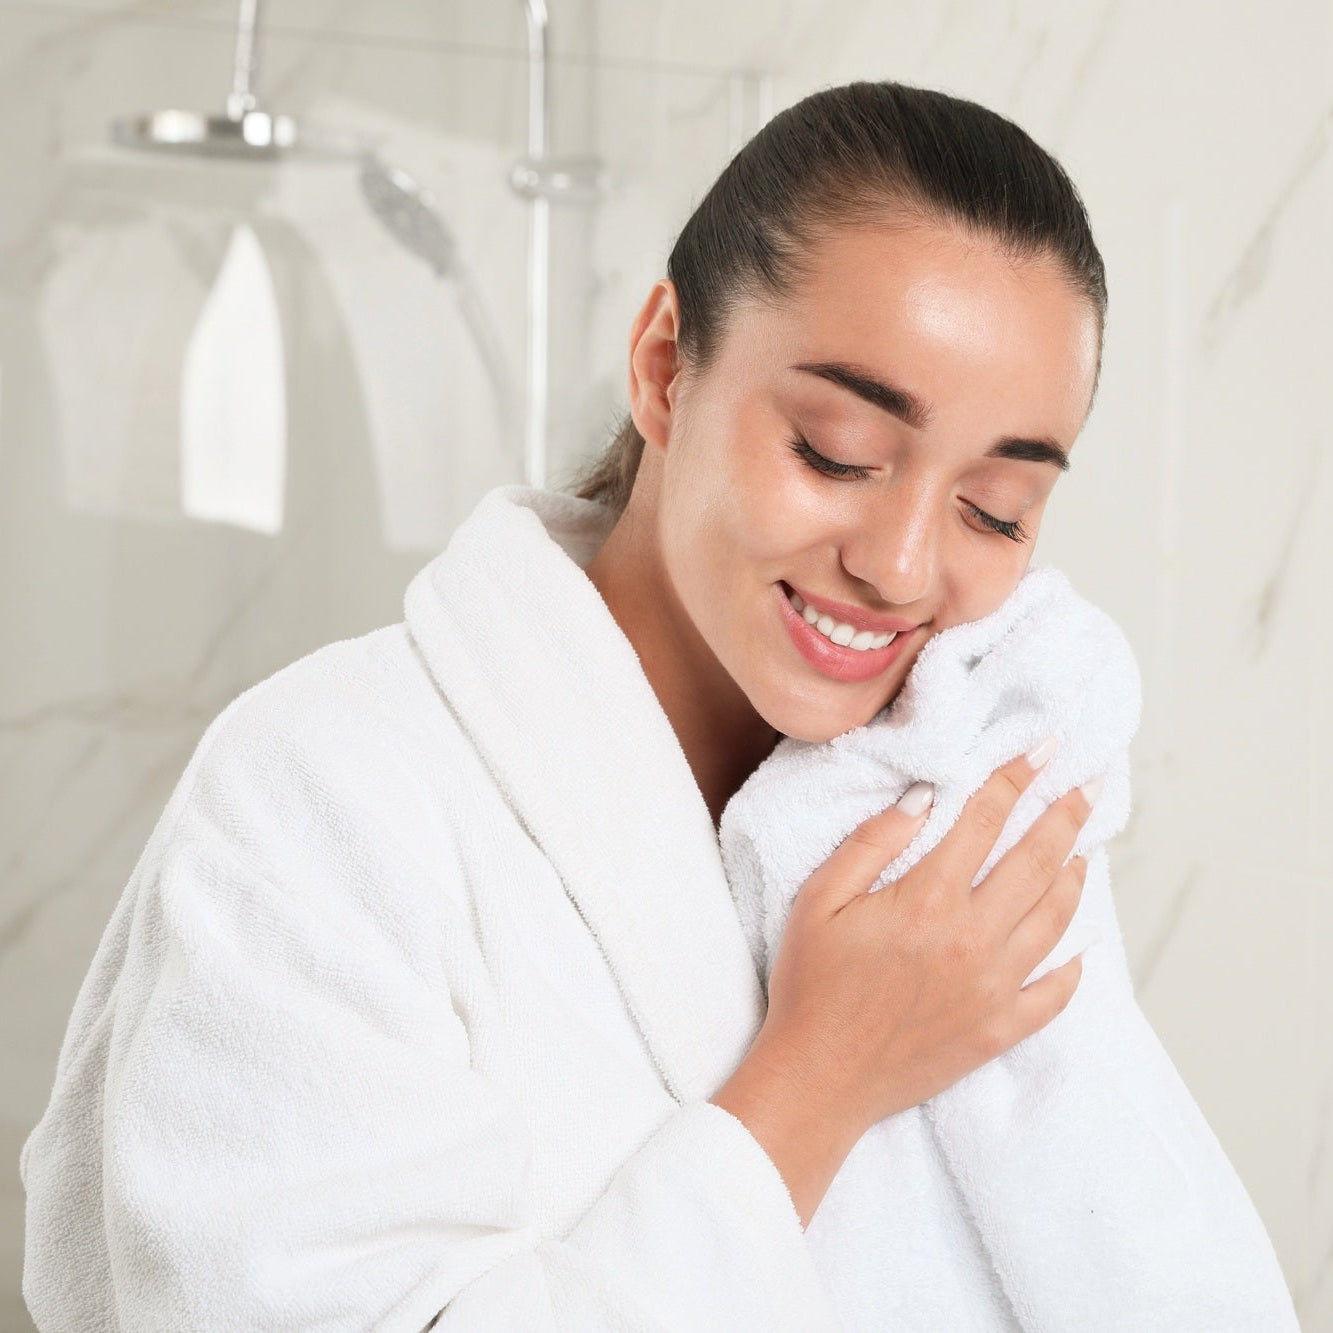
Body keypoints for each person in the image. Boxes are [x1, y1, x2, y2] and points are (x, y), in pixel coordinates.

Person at [19, 79, 1293, 1331]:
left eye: (992, 510)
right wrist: (825, 1074)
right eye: (837, 451)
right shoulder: (322, 794)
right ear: (666, 366)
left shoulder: (958, 806)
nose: (901, 566)